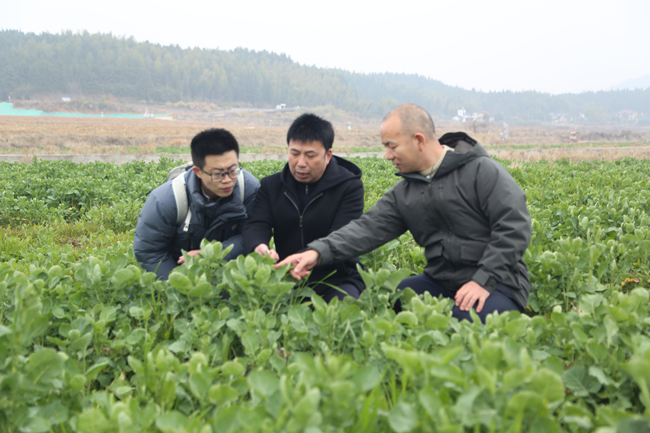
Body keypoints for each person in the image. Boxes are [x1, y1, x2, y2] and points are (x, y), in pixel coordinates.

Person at [276, 104, 531, 322]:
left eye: (391, 146)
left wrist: (483, 280)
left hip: (497, 282)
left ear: (419, 140)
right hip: (442, 282)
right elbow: (366, 229)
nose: (387, 155)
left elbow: (514, 228)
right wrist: (316, 252)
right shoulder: (405, 192)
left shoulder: (482, 172)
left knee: (465, 319)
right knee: (391, 299)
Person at [243, 113, 365, 302]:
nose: (300, 163)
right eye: (294, 153)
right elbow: (257, 223)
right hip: (286, 277)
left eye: (310, 155)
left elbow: (341, 236)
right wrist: (259, 246)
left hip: (337, 278)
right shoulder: (272, 186)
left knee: (345, 307)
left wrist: (305, 257)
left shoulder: (349, 187)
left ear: (328, 155)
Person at [134, 128, 260, 280]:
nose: (227, 180)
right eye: (217, 174)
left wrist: (211, 254)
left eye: (233, 170)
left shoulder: (248, 187)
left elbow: (251, 234)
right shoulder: (165, 200)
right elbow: (150, 251)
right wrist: (180, 286)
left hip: (228, 270)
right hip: (177, 269)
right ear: (198, 171)